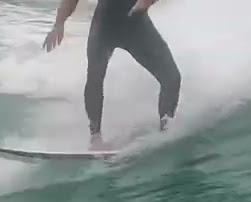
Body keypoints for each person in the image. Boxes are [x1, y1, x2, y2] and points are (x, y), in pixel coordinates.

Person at [43, 0, 182, 150]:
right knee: (95, 77)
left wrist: (144, 4)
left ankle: (165, 129)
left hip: (136, 24)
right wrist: (59, 23)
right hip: (104, 26)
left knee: (172, 78)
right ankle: (95, 138)